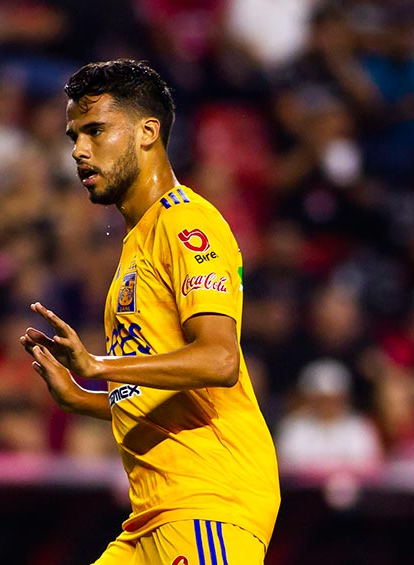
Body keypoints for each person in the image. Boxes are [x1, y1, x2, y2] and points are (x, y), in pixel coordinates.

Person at [21, 60, 280, 565]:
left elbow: (218, 360)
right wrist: (84, 398)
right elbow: (162, 390)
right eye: (74, 135)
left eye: (95, 131)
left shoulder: (187, 224)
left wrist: (99, 367)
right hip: (152, 513)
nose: (78, 150)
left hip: (208, 497)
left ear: (147, 132)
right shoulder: (136, 246)